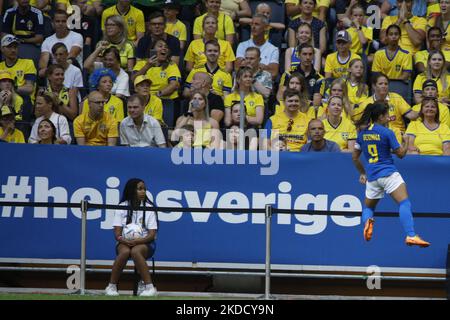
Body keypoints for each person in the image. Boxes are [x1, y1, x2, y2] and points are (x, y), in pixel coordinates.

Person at [352, 102, 430, 247]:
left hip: (372, 177)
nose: (388, 117)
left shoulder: (362, 134)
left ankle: (368, 221)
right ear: (380, 116)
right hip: (388, 174)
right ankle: (411, 235)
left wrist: (362, 173)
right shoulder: (387, 132)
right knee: (404, 202)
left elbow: (355, 157)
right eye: (386, 115)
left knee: (368, 208)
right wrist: (405, 142)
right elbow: (401, 154)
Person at [105, 178, 158, 297]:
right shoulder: (122, 207)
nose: (143, 191)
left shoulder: (149, 208)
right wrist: (123, 240)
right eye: (140, 189)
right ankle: (111, 286)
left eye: (144, 189)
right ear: (131, 191)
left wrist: (139, 240)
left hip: (146, 243)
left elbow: (152, 235)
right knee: (124, 252)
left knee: (135, 251)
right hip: (124, 242)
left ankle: (149, 287)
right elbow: (117, 234)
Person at [132, 39, 181, 127]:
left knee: (162, 127)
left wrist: (157, 94)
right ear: (152, 50)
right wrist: (147, 66)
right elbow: (133, 80)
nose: (164, 48)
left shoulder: (171, 65)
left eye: (166, 47)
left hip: (165, 100)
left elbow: (174, 84)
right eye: (160, 46)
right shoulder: (142, 63)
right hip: (143, 99)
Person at [357, 73, 419, 143]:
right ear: (374, 86)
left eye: (386, 84)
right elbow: (361, 124)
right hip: (376, 135)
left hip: (397, 135)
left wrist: (423, 109)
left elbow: (411, 116)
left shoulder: (397, 98)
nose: (384, 86)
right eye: (380, 84)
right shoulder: (367, 103)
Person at [235, 14, 280, 79]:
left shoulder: (273, 49)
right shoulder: (242, 45)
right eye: (252, 24)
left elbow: (273, 73)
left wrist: (248, 65)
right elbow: (237, 68)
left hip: (263, 85)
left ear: (266, 27)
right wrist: (263, 67)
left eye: (257, 24)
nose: (253, 27)